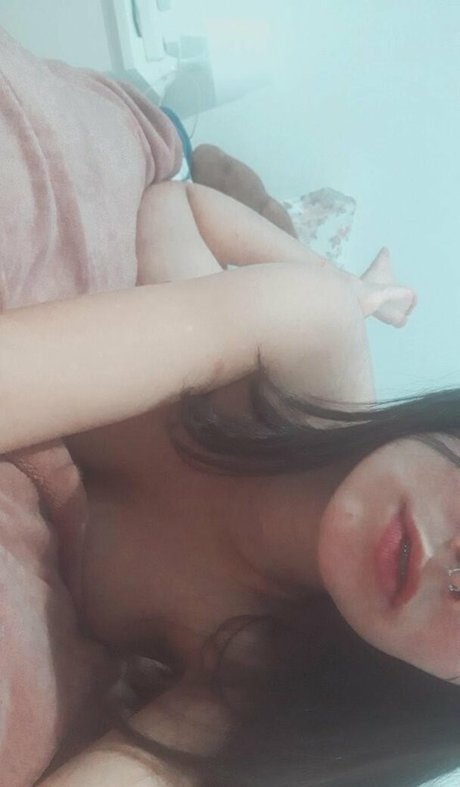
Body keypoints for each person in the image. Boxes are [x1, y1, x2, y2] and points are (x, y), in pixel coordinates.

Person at [0, 25, 458, 787]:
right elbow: (172, 207)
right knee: (225, 246)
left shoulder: (263, 675)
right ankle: (354, 285)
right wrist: (332, 289)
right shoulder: (301, 340)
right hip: (209, 260)